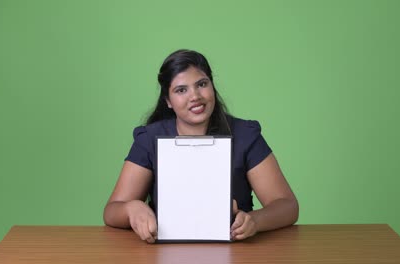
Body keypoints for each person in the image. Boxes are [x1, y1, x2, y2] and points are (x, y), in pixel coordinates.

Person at [103, 49, 299, 243]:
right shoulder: (149, 139)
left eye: (202, 84)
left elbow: (288, 206)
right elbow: (112, 211)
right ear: (168, 101)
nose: (195, 96)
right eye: (181, 90)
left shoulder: (245, 135)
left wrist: (254, 221)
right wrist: (131, 208)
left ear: (212, 86)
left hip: (238, 250)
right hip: (165, 252)